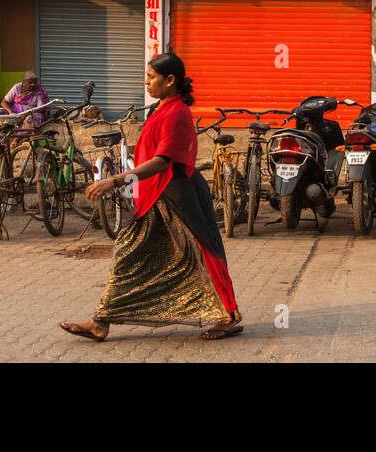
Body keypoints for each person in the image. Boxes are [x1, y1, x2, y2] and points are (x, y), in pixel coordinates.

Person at [60, 52, 242, 342]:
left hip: (176, 196)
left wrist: (114, 181)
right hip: (156, 197)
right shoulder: (161, 108)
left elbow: (162, 161)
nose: (146, 83)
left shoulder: (177, 113)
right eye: (146, 77)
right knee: (132, 258)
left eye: (151, 77)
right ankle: (101, 321)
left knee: (203, 251)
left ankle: (229, 315)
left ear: (170, 80)